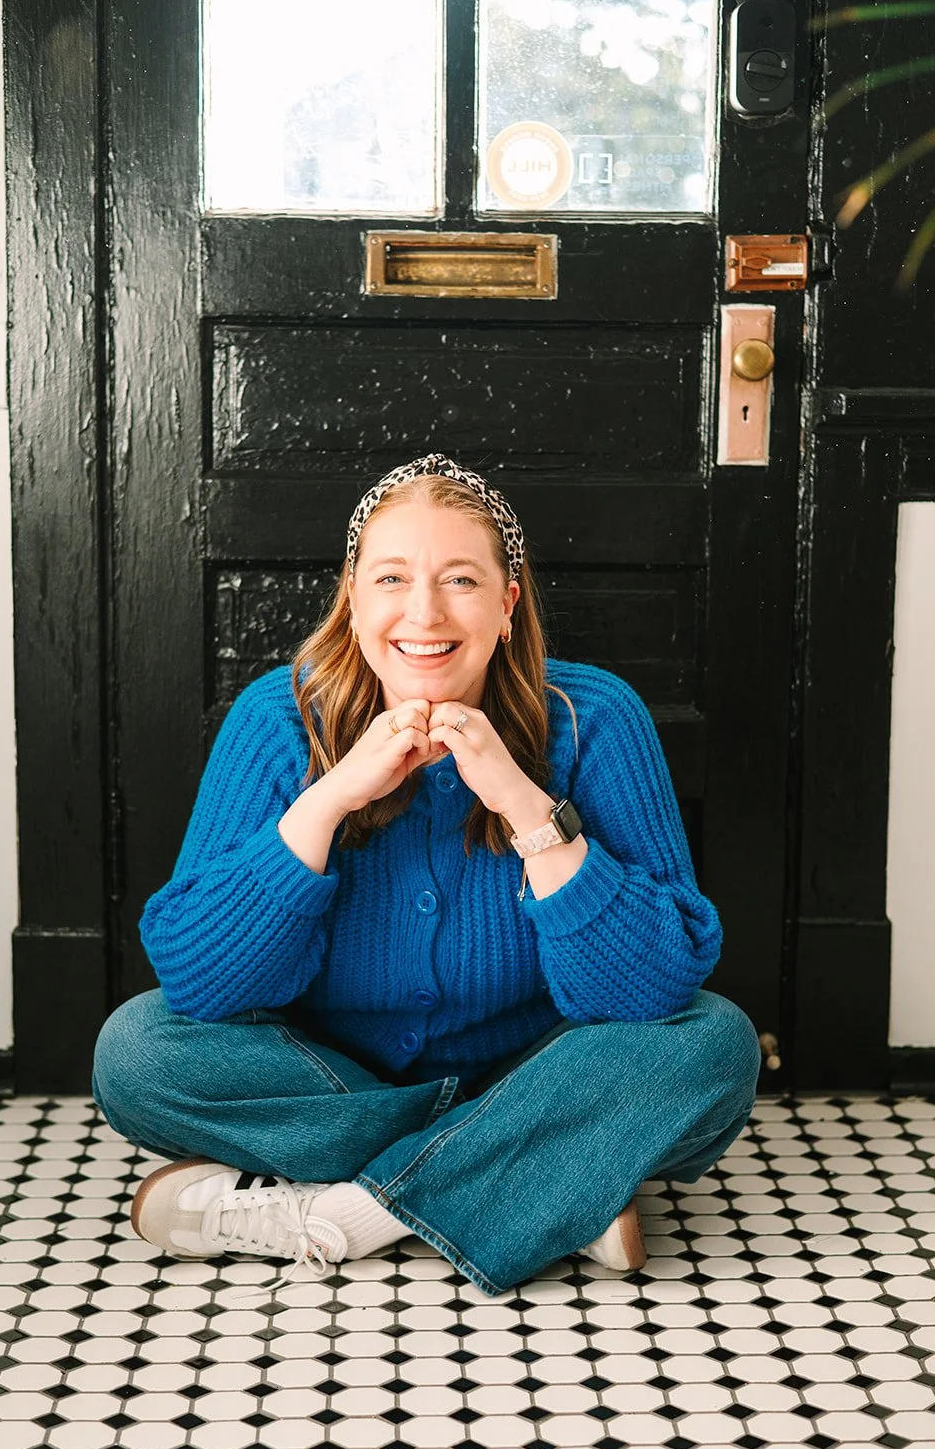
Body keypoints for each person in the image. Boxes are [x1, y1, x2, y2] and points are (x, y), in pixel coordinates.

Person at [91, 454, 761, 1298]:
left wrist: (526, 808)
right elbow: (199, 978)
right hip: (327, 1073)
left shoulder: (594, 721)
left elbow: (652, 987)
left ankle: (342, 1216)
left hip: (538, 1066)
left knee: (713, 1045)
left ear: (507, 602)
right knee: (138, 1052)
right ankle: (545, 1175)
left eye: (460, 580)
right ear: (353, 597)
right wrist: (330, 800)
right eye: (392, 579)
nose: (424, 613)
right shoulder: (277, 717)